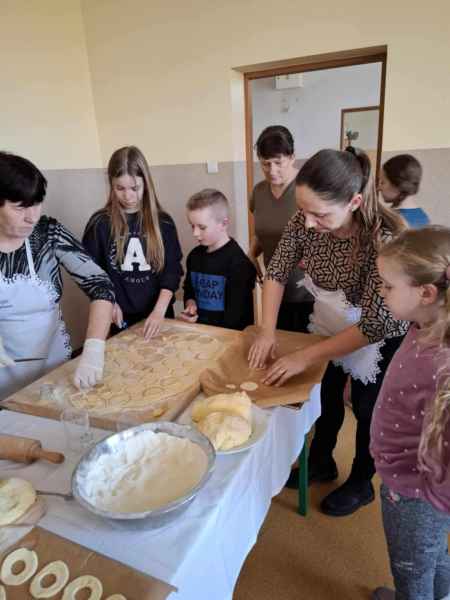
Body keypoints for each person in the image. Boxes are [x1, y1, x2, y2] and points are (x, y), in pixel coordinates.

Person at [248, 147, 409, 516]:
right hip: (331, 321)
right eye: (303, 211)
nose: (307, 223)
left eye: (319, 214)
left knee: (368, 409)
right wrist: (267, 330)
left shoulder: (383, 240)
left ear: (354, 202)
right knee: (327, 394)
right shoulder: (305, 220)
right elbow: (277, 271)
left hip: (379, 334)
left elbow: (376, 323)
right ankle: (321, 460)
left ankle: (362, 482)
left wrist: (304, 355)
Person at [371, 226, 450, 600]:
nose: (381, 291)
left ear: (426, 293)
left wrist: (433, 500)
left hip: (415, 493)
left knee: (412, 569)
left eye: (388, 286)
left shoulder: (442, 367)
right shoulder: (426, 324)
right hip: (413, 483)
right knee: (433, 557)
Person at [0, 151, 114, 400]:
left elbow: (101, 284)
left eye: (36, 203)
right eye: (20, 207)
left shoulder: (48, 233)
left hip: (53, 365)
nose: (32, 216)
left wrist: (93, 350)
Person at [83, 146, 183, 340]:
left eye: (135, 188)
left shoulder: (163, 222)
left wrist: (159, 311)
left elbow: (172, 270)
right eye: (120, 188)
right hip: (120, 318)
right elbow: (90, 272)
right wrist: (109, 302)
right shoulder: (99, 224)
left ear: (146, 184)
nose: (128, 196)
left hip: (158, 315)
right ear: (111, 185)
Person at [249, 125, 313, 332]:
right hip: (274, 290)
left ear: (292, 157)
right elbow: (263, 231)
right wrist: (251, 254)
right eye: (265, 163)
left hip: (308, 293)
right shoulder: (258, 192)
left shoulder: (308, 189)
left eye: (278, 162)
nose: (272, 170)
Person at [181, 188, 256, 330]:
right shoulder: (194, 256)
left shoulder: (239, 264)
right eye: (192, 226)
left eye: (202, 227)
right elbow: (189, 289)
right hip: (199, 332)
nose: (195, 233)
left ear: (223, 224)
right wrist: (190, 304)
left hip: (229, 336)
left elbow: (236, 318)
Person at [379, 154, 430, 228]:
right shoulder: (423, 217)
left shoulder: (391, 221)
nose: (379, 188)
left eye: (382, 182)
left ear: (398, 184)